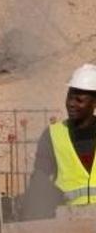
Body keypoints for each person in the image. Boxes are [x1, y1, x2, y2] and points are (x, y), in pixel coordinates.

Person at [22, 64, 96, 219]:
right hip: (68, 221)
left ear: (94, 103)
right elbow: (39, 180)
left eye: (79, 100)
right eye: (69, 97)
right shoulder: (53, 134)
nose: (71, 104)